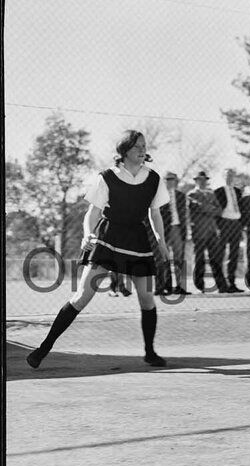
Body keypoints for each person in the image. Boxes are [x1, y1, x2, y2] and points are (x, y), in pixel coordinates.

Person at [26, 131, 170, 369]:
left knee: (146, 299)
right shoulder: (107, 177)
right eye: (136, 146)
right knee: (82, 296)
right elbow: (92, 213)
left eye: (144, 146)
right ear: (124, 151)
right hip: (108, 238)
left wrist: (161, 241)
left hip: (137, 240)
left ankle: (150, 352)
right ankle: (43, 349)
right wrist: (87, 235)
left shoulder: (153, 178)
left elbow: (154, 213)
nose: (142, 150)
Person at [187, 169, 227, 294]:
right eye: (200, 180)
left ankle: (222, 286)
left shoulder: (211, 194)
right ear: (196, 181)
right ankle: (200, 285)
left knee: (216, 258)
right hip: (199, 231)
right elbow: (195, 208)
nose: (203, 182)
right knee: (199, 258)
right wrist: (209, 208)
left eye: (204, 180)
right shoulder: (191, 195)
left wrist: (205, 208)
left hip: (212, 230)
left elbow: (219, 211)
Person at [154, 171, 189, 296]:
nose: (170, 181)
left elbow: (184, 213)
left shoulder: (180, 195)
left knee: (179, 258)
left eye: (172, 179)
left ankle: (180, 286)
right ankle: (164, 286)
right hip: (164, 228)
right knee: (164, 257)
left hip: (178, 228)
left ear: (176, 181)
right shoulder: (159, 195)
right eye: (168, 179)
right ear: (164, 181)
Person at [213, 169, 245, 293]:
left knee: (234, 254)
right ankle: (222, 284)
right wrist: (218, 226)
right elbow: (216, 210)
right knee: (220, 254)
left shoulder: (238, 192)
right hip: (224, 223)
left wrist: (241, 224)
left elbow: (242, 208)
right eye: (227, 175)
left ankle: (232, 283)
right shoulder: (218, 191)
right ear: (223, 176)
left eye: (232, 175)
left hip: (236, 223)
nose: (230, 177)